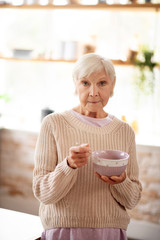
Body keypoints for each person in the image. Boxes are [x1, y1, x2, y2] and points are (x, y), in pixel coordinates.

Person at [33, 53, 142, 240]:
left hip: (111, 232)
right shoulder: (53, 124)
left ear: (113, 85)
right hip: (64, 231)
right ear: (75, 83)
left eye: (102, 83)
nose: (93, 92)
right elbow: (42, 193)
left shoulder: (125, 131)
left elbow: (132, 200)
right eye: (85, 83)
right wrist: (68, 165)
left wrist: (121, 181)